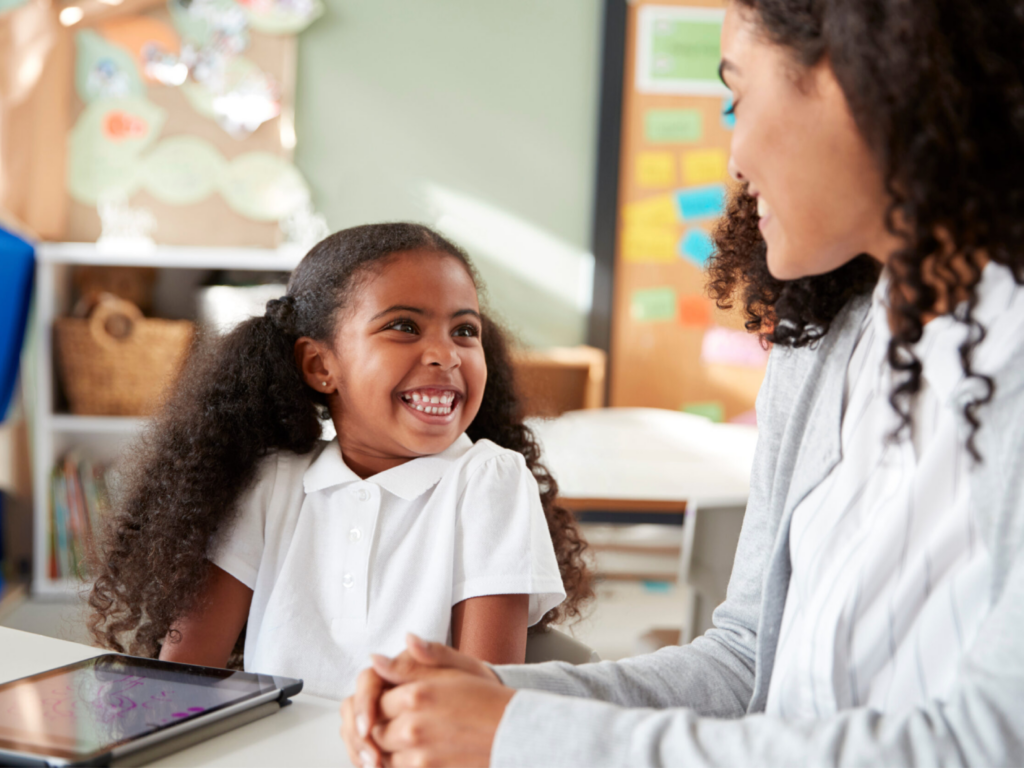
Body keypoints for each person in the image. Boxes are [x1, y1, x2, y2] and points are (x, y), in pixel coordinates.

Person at [340, 0, 1024, 764]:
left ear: (859, 78)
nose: (735, 160)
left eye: (739, 96)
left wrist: (517, 733)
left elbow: (992, 743)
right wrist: (498, 698)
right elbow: (744, 662)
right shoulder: (826, 342)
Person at [87, 223, 593, 699]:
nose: (447, 354)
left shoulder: (489, 481)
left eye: (464, 330)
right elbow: (181, 679)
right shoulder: (271, 483)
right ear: (320, 365)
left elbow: (480, 706)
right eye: (404, 326)